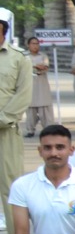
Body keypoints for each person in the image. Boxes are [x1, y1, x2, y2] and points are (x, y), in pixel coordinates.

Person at [0, 15, 28, 206]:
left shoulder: (19, 59)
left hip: (6, 130)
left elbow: (24, 94)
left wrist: (3, 118)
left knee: (11, 185)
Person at [25, 35, 52, 137]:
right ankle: (30, 130)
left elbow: (44, 67)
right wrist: (35, 66)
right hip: (29, 84)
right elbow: (25, 68)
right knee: (30, 108)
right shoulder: (25, 56)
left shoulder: (43, 56)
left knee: (44, 107)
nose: (35, 46)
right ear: (28, 45)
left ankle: (48, 129)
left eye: (37, 43)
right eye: (33, 43)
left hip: (42, 84)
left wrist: (34, 67)